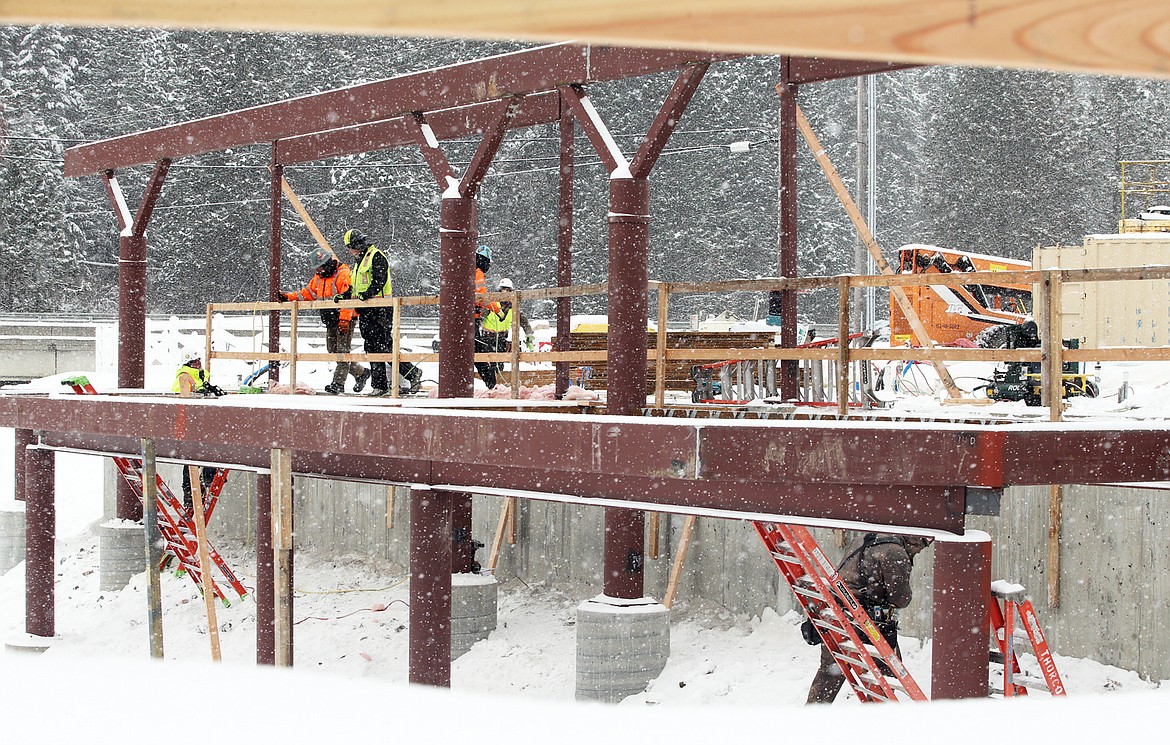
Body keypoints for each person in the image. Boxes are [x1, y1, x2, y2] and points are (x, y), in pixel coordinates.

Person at [805, 532, 933, 704]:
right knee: (888, 674)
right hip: (866, 621)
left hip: (837, 615)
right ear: (916, 539)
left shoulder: (864, 538)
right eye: (923, 545)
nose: (920, 551)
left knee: (830, 672)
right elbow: (900, 598)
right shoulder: (896, 552)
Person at [336, 228, 422, 396]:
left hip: (380, 309)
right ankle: (381, 384)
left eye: (350, 247)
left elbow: (379, 280)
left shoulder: (376, 256)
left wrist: (366, 294)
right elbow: (356, 286)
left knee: (382, 346)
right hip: (367, 310)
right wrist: (345, 295)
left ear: (357, 245)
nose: (349, 251)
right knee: (372, 347)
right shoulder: (360, 261)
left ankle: (408, 373)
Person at [276, 247, 370, 395]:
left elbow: (348, 298)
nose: (318, 271)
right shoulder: (319, 278)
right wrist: (288, 297)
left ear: (327, 264)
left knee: (342, 351)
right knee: (332, 350)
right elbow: (306, 293)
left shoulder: (343, 274)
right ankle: (361, 373)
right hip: (330, 319)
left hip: (345, 318)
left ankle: (338, 383)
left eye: (320, 267)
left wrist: (344, 320)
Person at [172, 354, 222, 511]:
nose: (198, 363)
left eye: (199, 360)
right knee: (193, 461)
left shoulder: (200, 376)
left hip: (199, 425)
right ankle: (196, 489)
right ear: (187, 364)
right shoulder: (185, 376)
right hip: (191, 426)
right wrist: (202, 391)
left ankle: (204, 482)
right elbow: (181, 392)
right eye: (195, 361)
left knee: (200, 457)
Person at [479, 277, 536, 378]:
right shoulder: (492, 305)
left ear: (511, 291)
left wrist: (529, 334)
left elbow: (523, 321)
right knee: (488, 364)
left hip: (501, 339)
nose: (505, 293)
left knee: (500, 365)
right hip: (488, 338)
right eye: (503, 290)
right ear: (499, 291)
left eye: (507, 290)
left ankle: (497, 385)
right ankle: (490, 385)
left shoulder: (513, 307)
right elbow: (480, 318)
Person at [473, 244, 504, 388]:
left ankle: (490, 383)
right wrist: (497, 310)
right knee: (478, 353)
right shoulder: (477, 272)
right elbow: (481, 296)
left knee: (476, 352)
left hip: (467, 319)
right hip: (471, 320)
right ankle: (492, 384)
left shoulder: (468, 270)